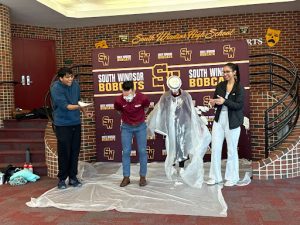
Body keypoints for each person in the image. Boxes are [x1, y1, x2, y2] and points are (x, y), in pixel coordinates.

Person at [147, 76, 211, 188]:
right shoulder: (165, 96)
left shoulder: (186, 96)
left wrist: (197, 124)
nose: (174, 91)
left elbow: (192, 112)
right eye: (173, 89)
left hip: (183, 125)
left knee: (182, 146)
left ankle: (181, 167)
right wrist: (153, 121)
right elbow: (160, 110)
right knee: (171, 146)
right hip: (171, 126)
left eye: (176, 89)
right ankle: (171, 165)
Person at [51, 67, 89, 189]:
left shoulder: (76, 85)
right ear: (60, 78)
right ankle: (62, 179)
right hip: (62, 124)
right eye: (67, 77)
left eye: (71, 76)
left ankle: (73, 177)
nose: (70, 79)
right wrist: (80, 106)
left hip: (75, 123)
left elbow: (78, 101)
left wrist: (85, 112)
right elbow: (66, 106)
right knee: (64, 152)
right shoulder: (56, 88)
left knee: (74, 151)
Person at [207, 63, 245, 187]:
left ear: (234, 72)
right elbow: (217, 102)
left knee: (232, 150)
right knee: (216, 149)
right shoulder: (220, 85)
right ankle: (215, 177)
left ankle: (232, 177)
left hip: (233, 121)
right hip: (219, 120)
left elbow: (239, 106)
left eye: (228, 71)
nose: (225, 74)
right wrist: (213, 103)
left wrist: (225, 101)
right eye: (223, 72)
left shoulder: (239, 87)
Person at [114, 80, 150, 187]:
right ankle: (126, 177)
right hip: (126, 127)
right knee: (126, 151)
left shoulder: (143, 98)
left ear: (134, 90)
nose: (126, 95)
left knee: (142, 151)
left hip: (140, 126)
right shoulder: (118, 100)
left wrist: (140, 117)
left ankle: (142, 177)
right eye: (124, 92)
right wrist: (127, 119)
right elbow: (119, 111)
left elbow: (146, 108)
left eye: (128, 92)